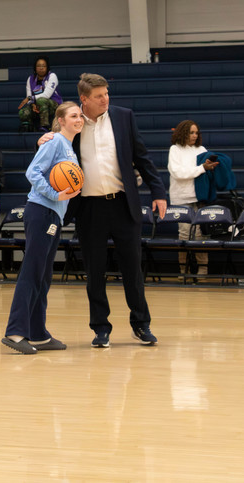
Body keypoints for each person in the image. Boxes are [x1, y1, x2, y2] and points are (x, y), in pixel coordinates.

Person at [70, 73, 167, 348]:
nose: (105, 100)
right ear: (84, 100)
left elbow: (142, 157)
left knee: (132, 269)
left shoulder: (123, 116)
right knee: (95, 271)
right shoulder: (73, 122)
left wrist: (158, 192)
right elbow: (55, 149)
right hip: (89, 208)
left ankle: (141, 324)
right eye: (99, 96)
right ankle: (100, 328)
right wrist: (43, 140)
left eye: (107, 94)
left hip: (123, 204)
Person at [2, 102, 83, 354]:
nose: (78, 119)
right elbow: (32, 172)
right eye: (73, 115)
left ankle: (38, 333)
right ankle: (15, 333)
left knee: (43, 275)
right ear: (60, 120)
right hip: (41, 211)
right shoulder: (56, 141)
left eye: (80, 115)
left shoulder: (68, 146)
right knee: (32, 271)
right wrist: (54, 194)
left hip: (53, 216)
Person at [167, 120, 219, 279]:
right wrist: (201, 168)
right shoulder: (175, 149)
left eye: (196, 133)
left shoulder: (202, 149)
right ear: (183, 133)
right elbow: (178, 173)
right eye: (191, 132)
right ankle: (184, 270)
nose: (195, 136)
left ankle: (203, 269)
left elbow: (203, 172)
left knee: (200, 235)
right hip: (181, 198)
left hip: (199, 197)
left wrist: (209, 167)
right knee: (184, 234)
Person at [18, 56, 62, 132]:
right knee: (23, 112)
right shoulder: (30, 78)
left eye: (43, 66)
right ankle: (30, 127)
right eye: (38, 66)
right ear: (35, 67)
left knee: (41, 100)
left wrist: (31, 99)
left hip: (53, 105)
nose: (41, 68)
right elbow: (28, 96)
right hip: (37, 105)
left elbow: (46, 95)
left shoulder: (52, 76)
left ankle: (45, 126)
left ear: (47, 67)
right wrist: (32, 105)